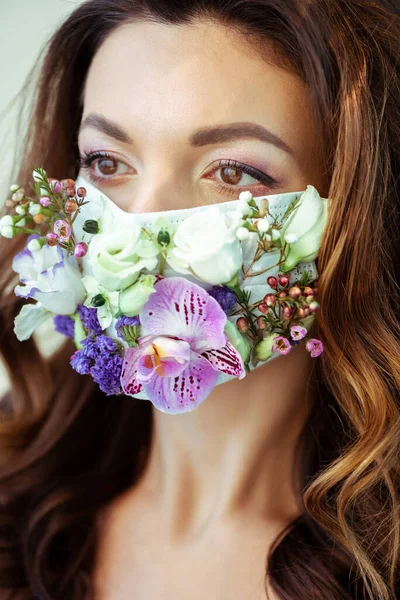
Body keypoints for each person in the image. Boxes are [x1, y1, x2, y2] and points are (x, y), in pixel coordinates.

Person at [0, 1, 399, 599]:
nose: (142, 220)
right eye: (106, 162)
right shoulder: (13, 479)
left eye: (233, 173)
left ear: (356, 214)